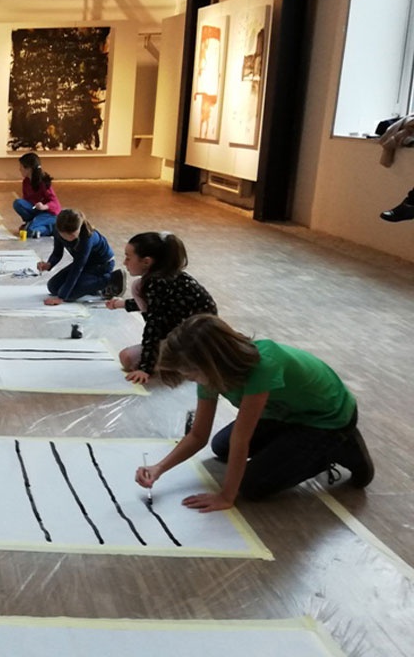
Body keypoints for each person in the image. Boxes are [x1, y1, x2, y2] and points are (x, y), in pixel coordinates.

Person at [136, 314, 374, 509]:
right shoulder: (211, 375)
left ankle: (339, 448)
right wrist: (159, 468)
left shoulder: (263, 366)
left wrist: (226, 497)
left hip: (327, 418)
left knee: (252, 486)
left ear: (213, 362)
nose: (189, 379)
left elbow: (242, 439)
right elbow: (198, 435)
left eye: (190, 374)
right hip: (284, 413)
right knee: (222, 447)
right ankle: (294, 445)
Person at [104, 231, 217, 384]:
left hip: (195, 344)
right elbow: (156, 305)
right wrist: (122, 304)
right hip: (182, 334)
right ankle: (175, 363)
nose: (124, 262)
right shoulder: (162, 278)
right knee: (128, 357)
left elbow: (154, 325)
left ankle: (187, 365)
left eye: (128, 258)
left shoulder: (158, 283)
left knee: (128, 358)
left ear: (146, 262)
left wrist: (145, 368)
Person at [37, 209, 120, 304]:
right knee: (53, 286)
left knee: (69, 295)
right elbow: (57, 253)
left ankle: (110, 279)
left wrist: (61, 298)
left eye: (72, 234)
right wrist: (49, 264)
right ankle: (90, 286)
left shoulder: (87, 237)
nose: (68, 238)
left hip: (102, 265)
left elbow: (77, 268)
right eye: (64, 235)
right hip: (85, 263)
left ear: (79, 228)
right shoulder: (57, 230)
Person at [13, 152, 60, 238]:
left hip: (49, 213)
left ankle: (50, 229)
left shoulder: (43, 182)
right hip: (36, 210)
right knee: (18, 203)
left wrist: (44, 206)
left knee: (29, 231)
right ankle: (32, 223)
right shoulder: (26, 181)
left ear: (29, 169)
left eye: (21, 167)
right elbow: (25, 199)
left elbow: (55, 203)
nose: (19, 169)